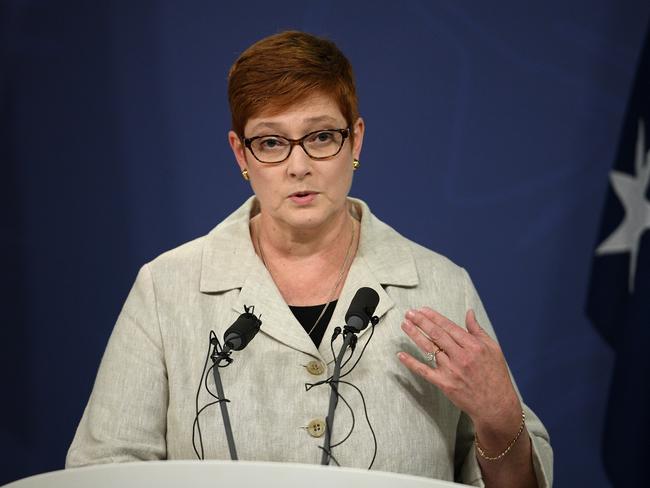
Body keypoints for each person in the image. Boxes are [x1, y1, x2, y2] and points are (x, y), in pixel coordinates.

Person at [66, 31, 552, 487]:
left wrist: (500, 422)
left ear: (355, 140)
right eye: (272, 142)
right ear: (241, 153)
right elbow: (104, 471)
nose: (299, 166)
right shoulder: (166, 288)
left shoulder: (440, 286)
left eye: (321, 137)